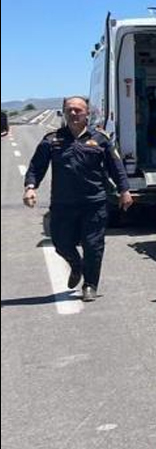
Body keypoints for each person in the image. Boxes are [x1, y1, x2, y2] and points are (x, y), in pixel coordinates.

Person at [22, 96, 134, 302]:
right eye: (69, 110)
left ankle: (90, 284)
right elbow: (37, 166)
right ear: (64, 113)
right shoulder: (52, 140)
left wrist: (124, 190)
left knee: (93, 245)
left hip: (94, 202)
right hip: (63, 203)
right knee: (61, 243)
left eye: (78, 110)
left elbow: (115, 167)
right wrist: (30, 187)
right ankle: (76, 264)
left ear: (87, 114)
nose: (73, 114)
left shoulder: (100, 139)